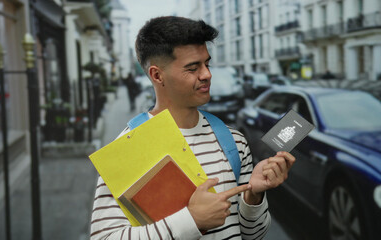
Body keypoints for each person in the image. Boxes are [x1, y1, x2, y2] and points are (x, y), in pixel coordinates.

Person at [91, 16, 296, 239]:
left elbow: (252, 235)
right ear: (157, 75)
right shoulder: (127, 149)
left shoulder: (234, 141)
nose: (207, 74)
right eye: (192, 68)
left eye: (206, 64)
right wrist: (192, 220)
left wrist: (253, 196)